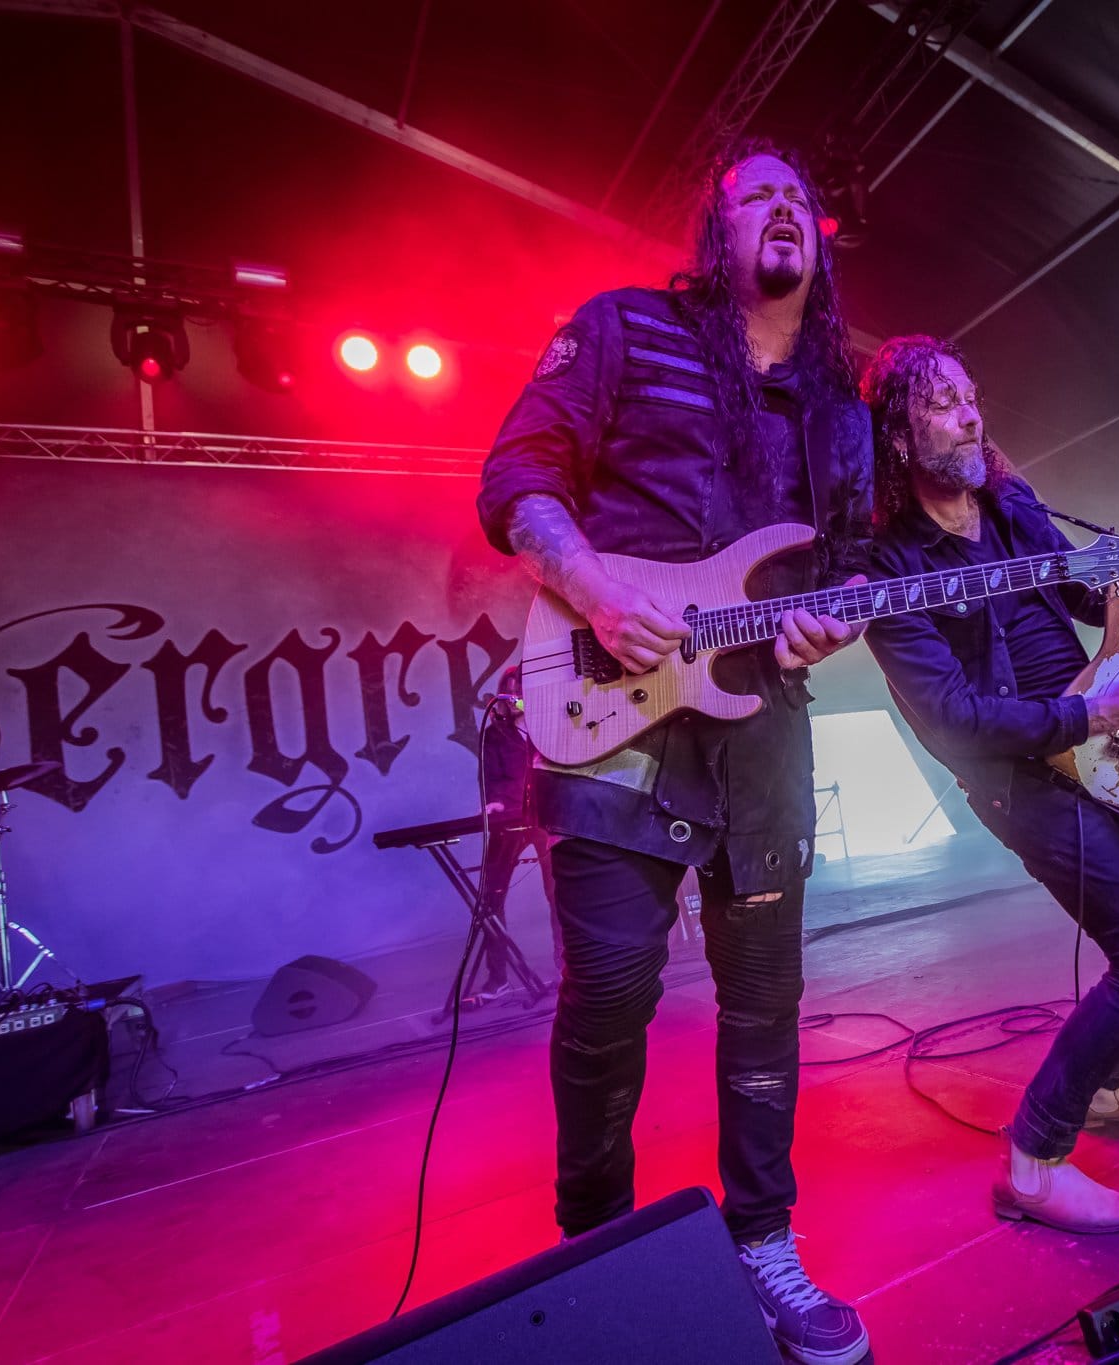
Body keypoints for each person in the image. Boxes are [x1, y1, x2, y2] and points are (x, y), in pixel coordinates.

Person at [477, 141, 873, 1365]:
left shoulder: (837, 402)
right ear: (714, 229)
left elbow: (850, 558)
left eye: (799, 199)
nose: (781, 211)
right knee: (610, 992)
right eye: (754, 194)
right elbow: (516, 475)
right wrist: (591, 585)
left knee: (765, 1004)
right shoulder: (621, 332)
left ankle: (763, 1241)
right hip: (610, 723)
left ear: (821, 239)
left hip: (758, 733)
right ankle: (594, 1254)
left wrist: (833, 619)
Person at [857, 335, 1119, 1235]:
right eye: (944, 400)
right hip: (1020, 774)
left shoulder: (1010, 501)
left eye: (971, 394)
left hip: (1096, 743)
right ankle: (1033, 1158)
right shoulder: (887, 565)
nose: (971, 411)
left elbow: (1080, 590)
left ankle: (1102, 1086)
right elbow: (951, 717)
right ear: (900, 436)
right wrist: (1097, 715)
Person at [475, 665, 553, 998]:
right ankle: (498, 979)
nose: (517, 694)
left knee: (560, 892)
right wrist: (492, 803)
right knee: (490, 897)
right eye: (511, 689)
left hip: (545, 816)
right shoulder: (495, 734)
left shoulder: (549, 726)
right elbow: (488, 777)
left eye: (522, 687)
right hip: (508, 817)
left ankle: (570, 969)